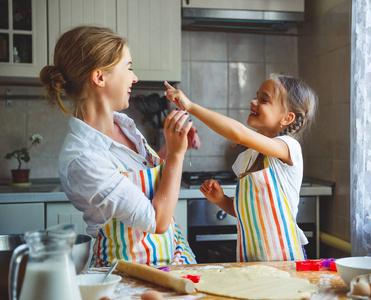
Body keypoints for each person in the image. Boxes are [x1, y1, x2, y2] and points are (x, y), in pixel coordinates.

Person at [39, 26, 197, 267]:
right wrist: (176, 155)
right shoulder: (83, 158)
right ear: (100, 77)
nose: (135, 78)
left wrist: (173, 143)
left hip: (172, 259)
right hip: (127, 275)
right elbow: (157, 221)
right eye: (129, 67)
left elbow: (147, 179)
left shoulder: (123, 124)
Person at [164, 74, 318, 262]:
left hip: (285, 260)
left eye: (264, 99)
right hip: (249, 260)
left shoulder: (288, 147)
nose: (253, 102)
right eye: (256, 96)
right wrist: (221, 200)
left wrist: (191, 107)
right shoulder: (249, 157)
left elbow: (239, 134)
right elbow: (247, 211)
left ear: (287, 118)